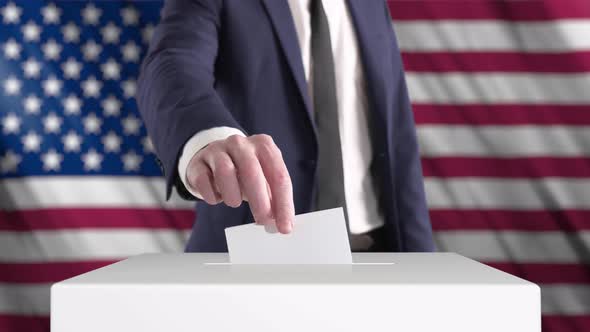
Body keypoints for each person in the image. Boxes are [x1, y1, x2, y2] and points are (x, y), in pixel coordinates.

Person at [137, 0, 435, 252]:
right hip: (259, 255)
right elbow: (173, 61)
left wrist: (422, 258)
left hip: (377, 250)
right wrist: (207, 136)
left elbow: (396, 132)